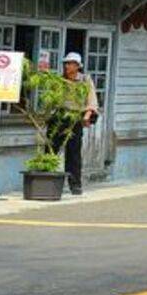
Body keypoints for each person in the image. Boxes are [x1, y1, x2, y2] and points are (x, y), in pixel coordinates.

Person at [58, 52, 99, 195]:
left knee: (73, 152)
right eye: (66, 63)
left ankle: (75, 184)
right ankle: (52, 179)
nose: (67, 66)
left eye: (70, 64)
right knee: (52, 146)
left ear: (77, 66)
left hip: (76, 117)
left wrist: (87, 115)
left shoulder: (84, 80)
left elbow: (92, 99)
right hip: (60, 116)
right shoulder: (60, 80)